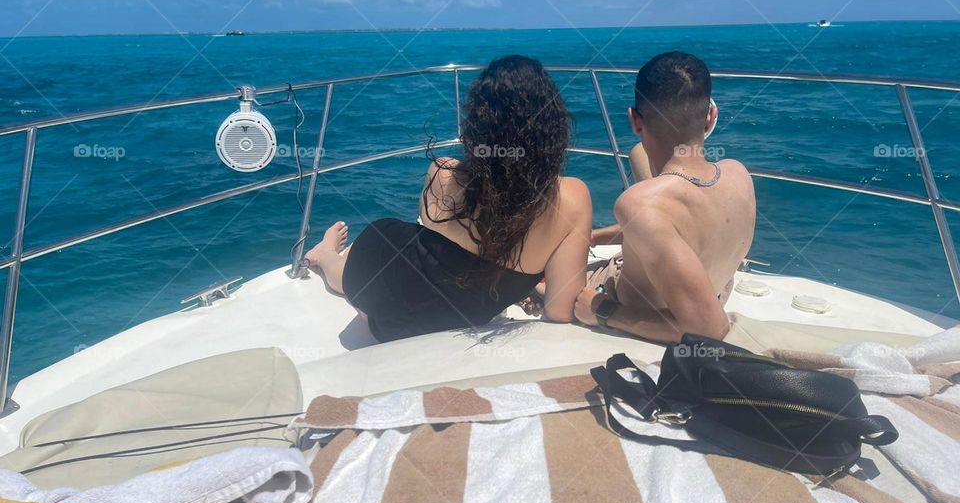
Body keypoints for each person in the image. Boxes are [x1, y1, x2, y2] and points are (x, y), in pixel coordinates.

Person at [304, 55, 592, 341]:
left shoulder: (443, 172)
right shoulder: (572, 198)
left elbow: (437, 259)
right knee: (366, 274)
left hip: (385, 284)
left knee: (346, 274)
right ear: (552, 127)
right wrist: (523, 283)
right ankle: (326, 254)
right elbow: (560, 311)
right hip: (424, 311)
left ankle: (325, 255)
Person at [575, 51, 755, 341]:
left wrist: (603, 311)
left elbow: (710, 330)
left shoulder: (637, 204)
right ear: (710, 117)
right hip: (715, 291)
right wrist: (596, 236)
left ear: (635, 121)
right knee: (638, 155)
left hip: (657, 316)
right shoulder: (739, 174)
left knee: (545, 271)